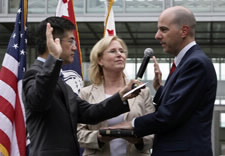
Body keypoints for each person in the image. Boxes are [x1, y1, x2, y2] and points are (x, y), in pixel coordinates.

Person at [22, 16, 142, 156]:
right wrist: (53, 58)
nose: (74, 47)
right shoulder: (34, 74)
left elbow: (89, 113)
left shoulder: (59, 81)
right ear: (54, 42)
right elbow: (39, 101)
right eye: (71, 41)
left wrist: (122, 95)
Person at [107, 6, 217, 156]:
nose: (157, 36)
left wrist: (131, 124)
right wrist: (161, 89)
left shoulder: (195, 63)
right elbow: (181, 105)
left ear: (184, 31)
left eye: (163, 30)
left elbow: (170, 115)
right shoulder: (184, 62)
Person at [77, 36, 155, 156]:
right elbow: (78, 133)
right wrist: (98, 137)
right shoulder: (85, 93)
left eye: (122, 51)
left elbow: (153, 129)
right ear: (100, 60)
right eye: (113, 51)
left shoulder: (142, 92)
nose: (120, 54)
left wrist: (139, 140)